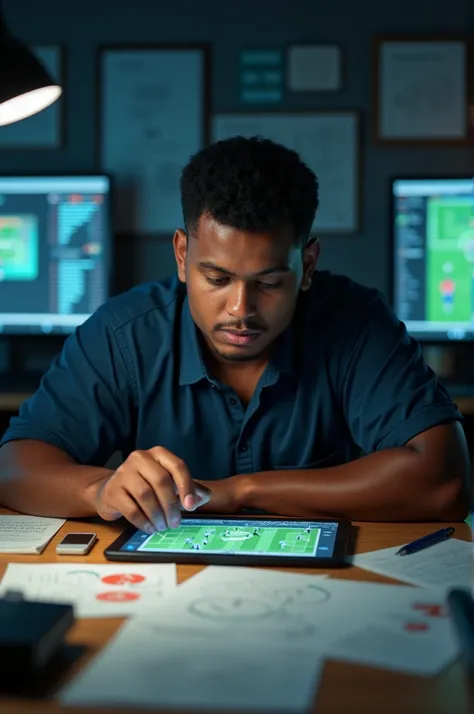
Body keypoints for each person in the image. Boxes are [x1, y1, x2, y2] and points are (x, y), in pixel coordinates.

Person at [0, 137, 470, 533]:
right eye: (217, 279)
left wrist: (240, 491)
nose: (241, 310)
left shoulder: (358, 324)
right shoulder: (124, 334)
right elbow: (13, 468)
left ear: (306, 266)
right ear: (182, 255)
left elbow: (445, 481)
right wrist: (99, 489)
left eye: (268, 283)